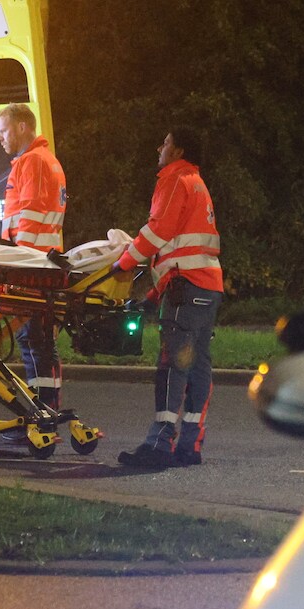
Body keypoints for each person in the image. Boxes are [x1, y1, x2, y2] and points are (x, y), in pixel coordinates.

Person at [115, 127, 223, 469]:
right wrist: (153, 293)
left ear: (178, 150)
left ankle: (158, 446)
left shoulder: (175, 179)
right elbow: (183, 247)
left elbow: (158, 231)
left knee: (172, 365)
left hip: (185, 290)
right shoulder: (197, 183)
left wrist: (123, 263)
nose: (159, 147)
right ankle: (189, 446)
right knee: (197, 365)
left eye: (165, 142)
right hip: (206, 288)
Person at [0, 102, 67, 419]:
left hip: (33, 267)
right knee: (39, 343)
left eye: (3, 130)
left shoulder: (33, 162)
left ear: (22, 127)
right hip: (42, 263)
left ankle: (41, 415)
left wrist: (18, 266)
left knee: (33, 342)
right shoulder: (43, 160)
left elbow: (31, 217)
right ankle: (46, 409)